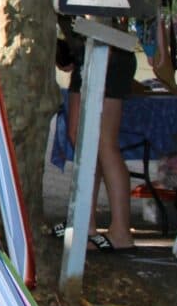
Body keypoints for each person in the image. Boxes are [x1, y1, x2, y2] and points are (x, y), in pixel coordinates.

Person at [57, 15, 137, 252]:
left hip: (104, 49)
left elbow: (100, 18)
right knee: (81, 138)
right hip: (90, 50)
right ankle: (84, 223)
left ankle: (121, 231)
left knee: (103, 141)